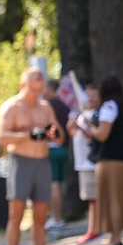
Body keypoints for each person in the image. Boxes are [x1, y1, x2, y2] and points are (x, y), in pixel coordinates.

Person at [0, 68, 64, 245]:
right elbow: (1, 138)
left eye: (40, 89)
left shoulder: (45, 108)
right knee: (16, 215)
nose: (37, 93)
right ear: (22, 85)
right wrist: (27, 134)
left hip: (42, 161)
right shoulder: (12, 107)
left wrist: (54, 133)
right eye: (33, 89)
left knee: (41, 216)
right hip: (20, 162)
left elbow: (59, 138)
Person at [88, 75, 123, 245]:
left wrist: (90, 126)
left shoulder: (109, 107)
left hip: (110, 160)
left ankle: (115, 237)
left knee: (112, 200)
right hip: (121, 159)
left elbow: (102, 134)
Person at [67, 86, 101, 245]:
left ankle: (95, 229)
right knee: (91, 199)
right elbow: (73, 133)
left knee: (95, 198)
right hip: (81, 162)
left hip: (91, 162)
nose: (90, 99)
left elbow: (94, 136)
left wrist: (81, 126)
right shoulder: (82, 114)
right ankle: (92, 229)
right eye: (88, 96)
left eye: (93, 96)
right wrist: (72, 125)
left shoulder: (97, 114)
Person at [43, 78, 72, 230]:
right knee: (58, 184)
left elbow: (49, 128)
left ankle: (56, 217)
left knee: (53, 184)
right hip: (65, 149)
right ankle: (57, 217)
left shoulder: (47, 106)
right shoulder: (65, 106)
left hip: (53, 148)